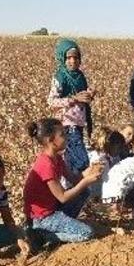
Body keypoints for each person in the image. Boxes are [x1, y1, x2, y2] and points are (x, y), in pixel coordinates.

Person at [23, 118, 104, 245]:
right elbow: (63, 197)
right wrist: (86, 181)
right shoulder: (46, 164)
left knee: (84, 192)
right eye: (62, 135)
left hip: (53, 208)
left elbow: (74, 178)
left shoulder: (57, 158)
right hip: (43, 218)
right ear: (51, 140)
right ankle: (44, 236)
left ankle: (62, 225)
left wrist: (90, 171)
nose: (66, 137)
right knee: (86, 233)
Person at [47, 38, 95, 174]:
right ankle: (80, 186)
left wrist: (89, 95)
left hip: (79, 122)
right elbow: (51, 101)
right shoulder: (60, 77)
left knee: (71, 161)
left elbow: (83, 97)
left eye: (76, 57)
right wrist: (73, 99)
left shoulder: (80, 76)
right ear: (62, 58)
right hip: (67, 123)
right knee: (81, 160)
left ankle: (72, 188)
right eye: (68, 58)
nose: (73, 61)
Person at [87, 127, 128, 202]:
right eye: (118, 148)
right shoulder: (99, 159)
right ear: (110, 145)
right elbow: (107, 179)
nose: (120, 151)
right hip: (95, 193)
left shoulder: (114, 157)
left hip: (103, 192)